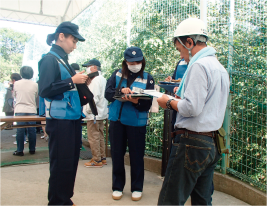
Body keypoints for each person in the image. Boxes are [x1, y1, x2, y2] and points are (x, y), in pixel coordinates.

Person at [157, 18, 230, 205]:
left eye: (180, 50)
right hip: (212, 144)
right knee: (202, 201)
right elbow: (207, 106)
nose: (182, 56)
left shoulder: (198, 65)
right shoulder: (219, 68)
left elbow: (192, 108)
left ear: (189, 42)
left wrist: (168, 102)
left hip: (191, 144)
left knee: (170, 200)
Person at [38, 21, 87, 206]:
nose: (74, 46)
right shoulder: (49, 59)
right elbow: (45, 89)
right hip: (59, 121)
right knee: (61, 164)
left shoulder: (63, 61)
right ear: (61, 36)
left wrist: (79, 82)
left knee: (71, 161)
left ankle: (65, 199)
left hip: (72, 118)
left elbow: (67, 86)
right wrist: (72, 81)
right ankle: (57, 202)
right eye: (73, 41)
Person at [105, 46, 154, 201]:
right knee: (117, 154)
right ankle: (117, 186)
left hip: (136, 123)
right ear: (125, 62)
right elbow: (108, 93)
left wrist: (135, 100)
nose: (135, 64)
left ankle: (137, 188)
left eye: (138, 61)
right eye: (131, 62)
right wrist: (121, 92)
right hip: (117, 121)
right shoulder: (117, 74)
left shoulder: (148, 78)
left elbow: (148, 104)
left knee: (137, 156)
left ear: (142, 61)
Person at [82, 59, 108, 168]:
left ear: (94, 67)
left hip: (93, 114)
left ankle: (96, 159)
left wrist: (87, 110)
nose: (86, 69)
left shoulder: (95, 80)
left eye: (88, 66)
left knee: (93, 137)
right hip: (101, 113)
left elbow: (93, 97)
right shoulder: (102, 79)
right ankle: (102, 157)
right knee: (100, 136)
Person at [13, 66, 38, 156]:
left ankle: (20, 150)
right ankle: (32, 149)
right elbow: (36, 96)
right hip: (31, 109)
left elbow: (14, 96)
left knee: (20, 130)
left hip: (20, 109)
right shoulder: (35, 84)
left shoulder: (17, 83)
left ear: (21, 73)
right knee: (32, 130)